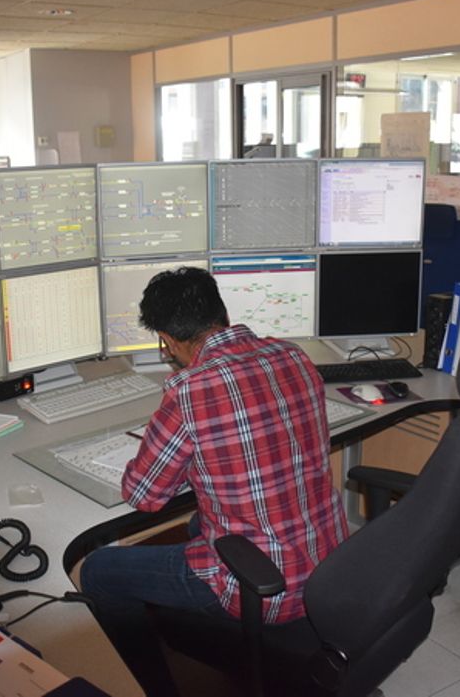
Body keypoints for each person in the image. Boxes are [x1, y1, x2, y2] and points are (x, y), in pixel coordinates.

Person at [80, 267, 348, 696]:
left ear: (168, 340)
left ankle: (151, 688)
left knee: (98, 571)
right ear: (221, 313)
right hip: (328, 569)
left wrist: (168, 451)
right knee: (195, 524)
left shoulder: (189, 390)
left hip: (266, 590)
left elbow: (145, 495)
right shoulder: (292, 355)